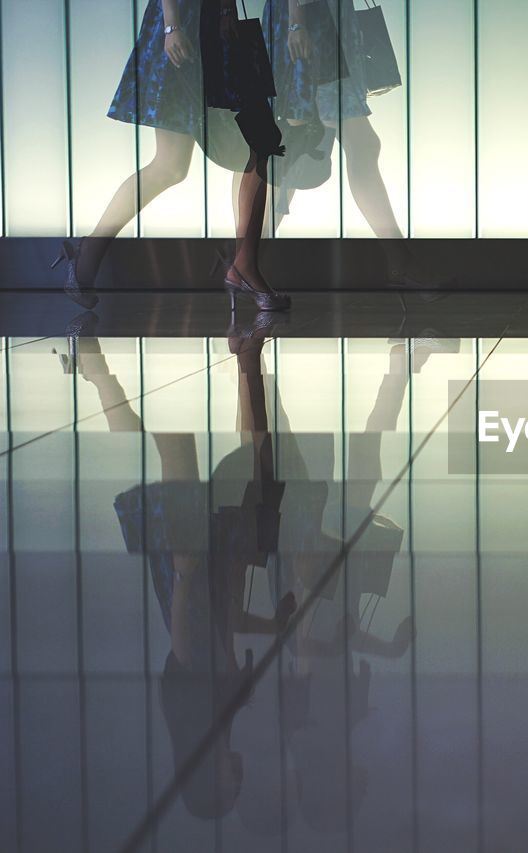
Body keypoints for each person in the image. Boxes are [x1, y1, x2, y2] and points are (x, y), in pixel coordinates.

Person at [56, 315, 297, 819]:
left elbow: (189, 650)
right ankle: (242, 364)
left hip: (193, 569)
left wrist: (187, 572)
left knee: (180, 448)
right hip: (206, 573)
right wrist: (271, 625)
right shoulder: (213, 726)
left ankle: (104, 369)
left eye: (231, 786)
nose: (240, 777)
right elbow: (221, 633)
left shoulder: (199, 720)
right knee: (245, 475)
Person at [52, 0, 289, 312]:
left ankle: (245, 265)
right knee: (172, 165)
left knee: (257, 145)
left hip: (217, 28)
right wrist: (172, 24)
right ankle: (91, 248)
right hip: (184, 30)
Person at [264, 0, 440, 295]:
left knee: (309, 151)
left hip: (321, 23)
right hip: (312, 25)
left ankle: (247, 261)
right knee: (307, 150)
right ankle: (247, 262)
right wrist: (297, 22)